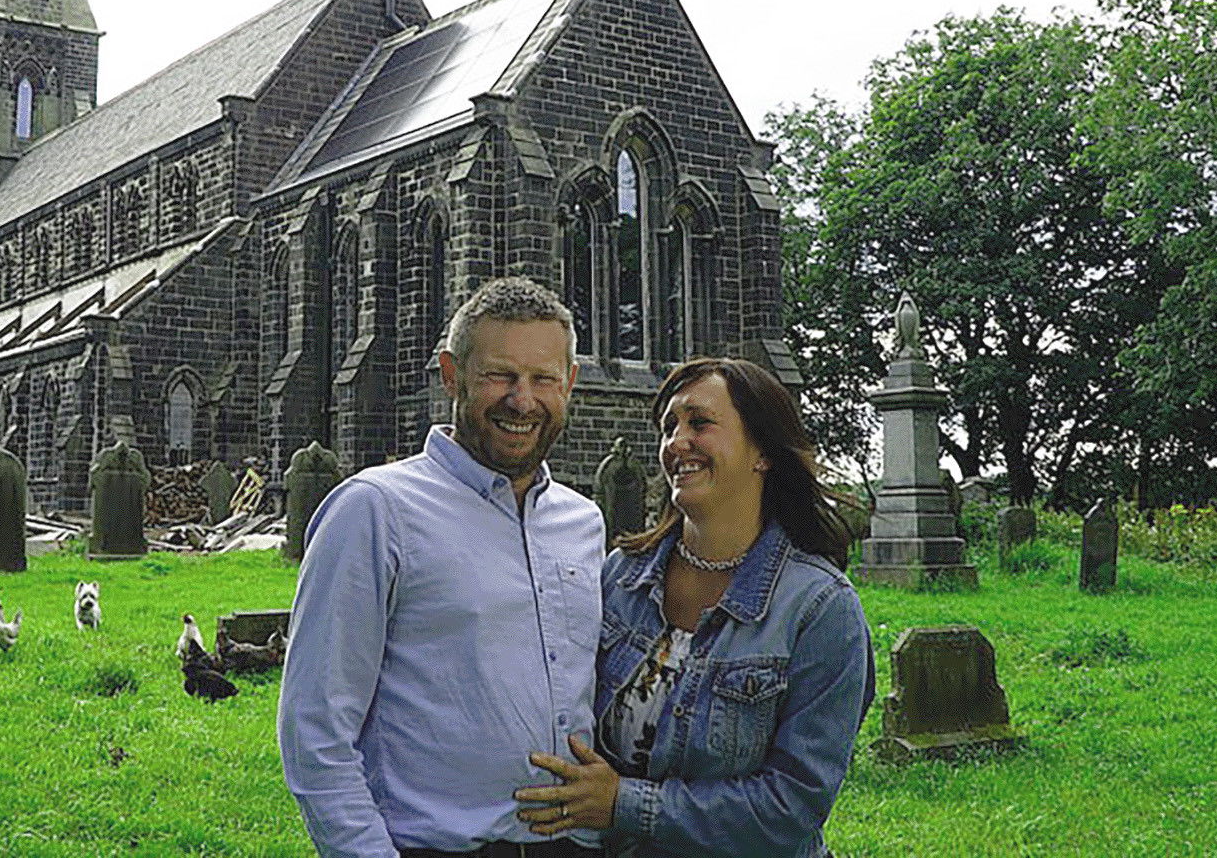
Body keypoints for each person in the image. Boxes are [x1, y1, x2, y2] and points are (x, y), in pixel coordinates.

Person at [278, 277, 607, 858]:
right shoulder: (375, 510)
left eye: (543, 380)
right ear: (452, 375)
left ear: (570, 383)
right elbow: (316, 729)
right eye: (500, 376)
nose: (523, 400)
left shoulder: (583, 523)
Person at [513, 358, 873, 857]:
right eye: (669, 427)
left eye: (699, 423)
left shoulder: (818, 609)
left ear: (763, 452)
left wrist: (624, 803)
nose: (676, 442)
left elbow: (793, 805)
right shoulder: (621, 578)